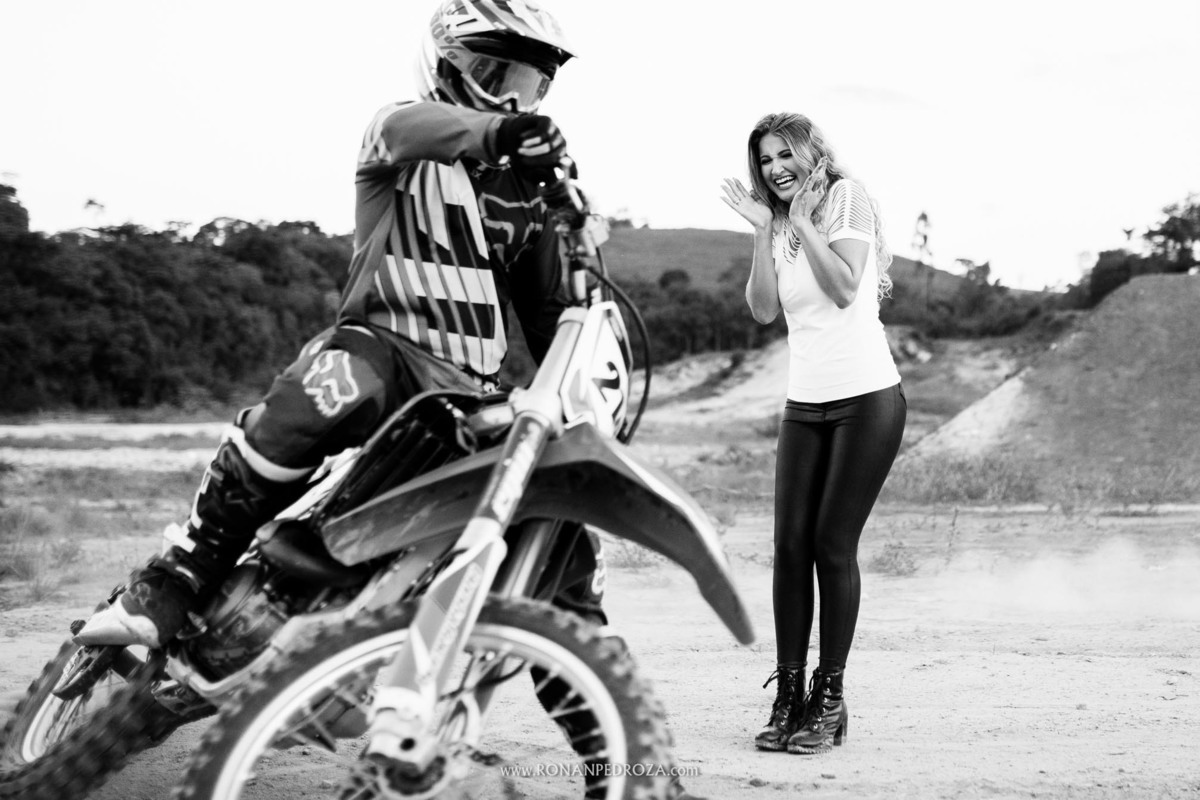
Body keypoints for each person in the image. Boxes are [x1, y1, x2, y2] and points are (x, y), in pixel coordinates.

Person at [76, 0, 605, 652]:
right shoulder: (399, 131)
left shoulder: (526, 196)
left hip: (467, 392)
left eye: (532, 86)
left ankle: (594, 699)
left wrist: (580, 402)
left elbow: (552, 314)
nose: (515, 99)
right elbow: (421, 127)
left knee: (548, 508)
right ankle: (174, 580)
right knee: (331, 386)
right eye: (497, 77)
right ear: (446, 64)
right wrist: (501, 133)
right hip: (383, 350)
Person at [720, 112, 906, 755]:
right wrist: (762, 231)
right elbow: (763, 309)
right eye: (765, 159)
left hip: (867, 399)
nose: (774, 168)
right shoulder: (775, 223)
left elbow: (845, 287)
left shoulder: (845, 199)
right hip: (805, 404)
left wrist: (802, 223)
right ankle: (789, 697)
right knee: (790, 548)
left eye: (784, 154)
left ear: (810, 153)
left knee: (832, 544)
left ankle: (829, 700)